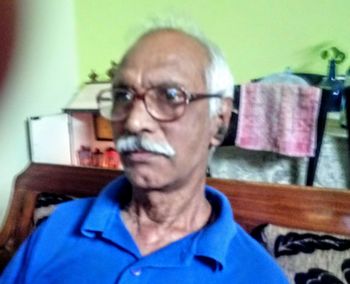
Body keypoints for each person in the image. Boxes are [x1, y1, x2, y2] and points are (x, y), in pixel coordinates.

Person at [0, 24, 288, 283]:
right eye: (123, 96)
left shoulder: (257, 275)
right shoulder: (59, 228)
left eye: (170, 96)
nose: (134, 122)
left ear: (219, 121)